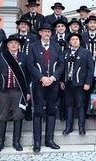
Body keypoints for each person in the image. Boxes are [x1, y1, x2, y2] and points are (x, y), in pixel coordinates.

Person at [0, 35, 31, 154]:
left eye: (16, 43)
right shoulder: (0, 57)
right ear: (7, 45)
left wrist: (27, 92)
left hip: (19, 91)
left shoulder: (24, 57)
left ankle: (16, 141)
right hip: (4, 91)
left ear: (19, 45)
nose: (13, 44)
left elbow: (28, 77)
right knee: (2, 116)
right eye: (11, 43)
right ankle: (0, 142)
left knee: (18, 115)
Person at [28, 23, 65, 152]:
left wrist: (53, 77)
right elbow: (30, 64)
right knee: (37, 111)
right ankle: (37, 142)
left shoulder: (56, 47)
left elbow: (61, 64)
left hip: (53, 83)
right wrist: (42, 78)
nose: (47, 33)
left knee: (51, 111)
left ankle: (49, 140)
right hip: (39, 83)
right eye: (44, 31)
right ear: (40, 33)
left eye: (49, 31)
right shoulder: (33, 46)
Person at [60, 33, 94, 135]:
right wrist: (61, 81)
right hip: (68, 83)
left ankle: (81, 127)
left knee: (80, 105)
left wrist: (88, 82)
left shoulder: (86, 52)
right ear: (69, 42)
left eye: (77, 39)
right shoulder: (65, 53)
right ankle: (68, 127)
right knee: (69, 104)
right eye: (73, 39)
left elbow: (90, 69)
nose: (75, 41)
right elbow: (61, 68)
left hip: (80, 83)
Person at [13, 17, 38, 121]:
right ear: (19, 26)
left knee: (29, 87)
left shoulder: (34, 37)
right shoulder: (13, 37)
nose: (23, 26)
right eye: (21, 24)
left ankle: (28, 112)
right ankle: (15, 111)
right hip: (17, 64)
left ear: (28, 27)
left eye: (25, 24)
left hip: (30, 65)